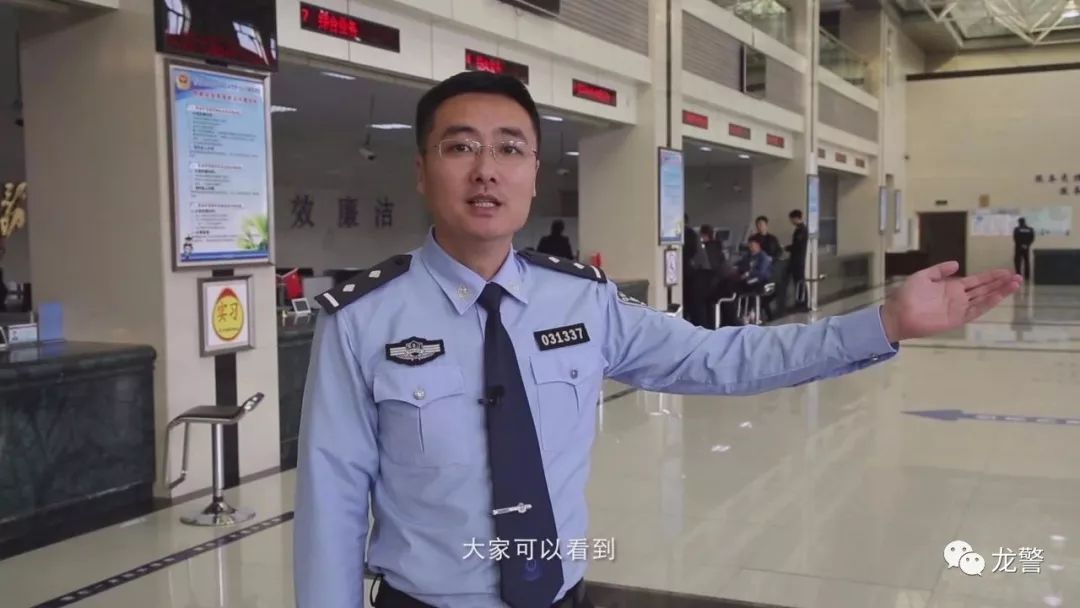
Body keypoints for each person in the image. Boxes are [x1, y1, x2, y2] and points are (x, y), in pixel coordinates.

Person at [293, 70, 1022, 608]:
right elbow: (331, 508)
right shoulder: (361, 321)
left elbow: (718, 357)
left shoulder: (582, 300)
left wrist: (883, 323)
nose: (487, 169)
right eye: (460, 147)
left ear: (534, 173)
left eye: (510, 148)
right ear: (423, 171)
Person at [786, 209, 809, 309]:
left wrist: (787, 248)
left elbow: (797, 246)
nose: (791, 221)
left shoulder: (801, 230)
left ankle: (802, 303)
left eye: (791, 219)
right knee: (798, 282)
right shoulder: (800, 229)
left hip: (798, 260)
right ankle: (800, 302)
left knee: (799, 281)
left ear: (796, 218)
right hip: (798, 259)